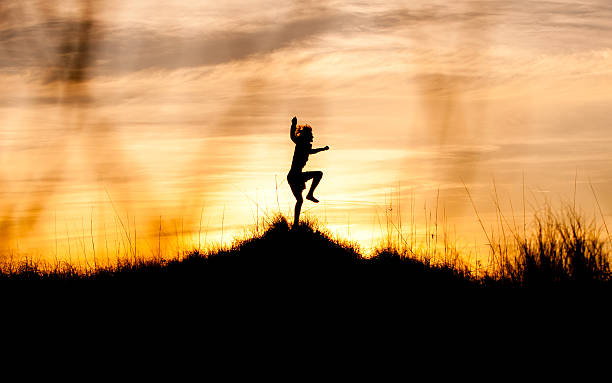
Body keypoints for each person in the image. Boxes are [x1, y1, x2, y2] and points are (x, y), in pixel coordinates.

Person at [287, 116, 329, 228]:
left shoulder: (304, 145)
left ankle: (295, 224)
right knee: (318, 174)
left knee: (300, 200)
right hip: (295, 176)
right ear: (306, 136)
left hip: (295, 176)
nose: (313, 137)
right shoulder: (301, 143)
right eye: (311, 135)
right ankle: (310, 195)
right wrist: (293, 125)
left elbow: (310, 151)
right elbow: (292, 136)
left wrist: (322, 149)